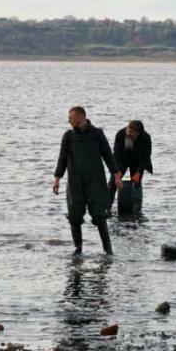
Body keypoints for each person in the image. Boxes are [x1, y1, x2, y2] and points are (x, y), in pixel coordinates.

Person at [52, 106, 123, 255]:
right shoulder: (68, 136)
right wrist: (57, 178)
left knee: (99, 215)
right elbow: (62, 157)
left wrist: (116, 174)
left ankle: (108, 249)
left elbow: (108, 155)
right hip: (75, 182)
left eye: (71, 117)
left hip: (95, 181)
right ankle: (78, 249)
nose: (69, 120)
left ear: (81, 117)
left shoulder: (97, 133)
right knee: (74, 215)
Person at [109, 119, 153, 217]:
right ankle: (107, 206)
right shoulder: (121, 134)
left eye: (132, 132)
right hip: (122, 160)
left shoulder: (145, 138)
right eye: (128, 130)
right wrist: (117, 171)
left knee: (137, 183)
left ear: (138, 133)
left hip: (137, 161)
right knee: (113, 183)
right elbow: (117, 155)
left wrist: (139, 172)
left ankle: (137, 208)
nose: (129, 133)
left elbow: (146, 157)